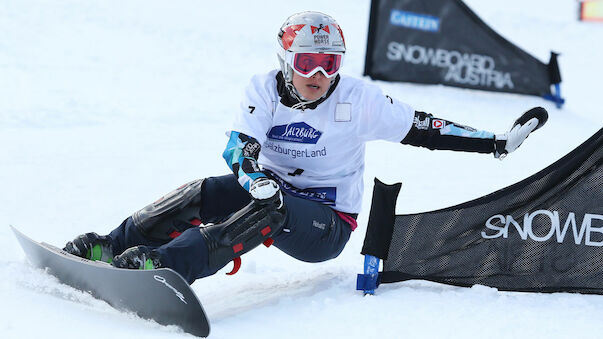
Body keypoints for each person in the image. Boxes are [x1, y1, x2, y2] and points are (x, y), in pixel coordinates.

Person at [63, 11, 546, 284]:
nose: (319, 76)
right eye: (308, 62)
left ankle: (168, 268)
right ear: (285, 60)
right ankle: (113, 246)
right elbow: (239, 148)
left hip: (327, 222)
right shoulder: (263, 89)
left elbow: (426, 128)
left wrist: (497, 144)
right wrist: (251, 178)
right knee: (202, 193)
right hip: (266, 189)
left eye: (330, 63)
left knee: (270, 209)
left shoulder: (360, 100)